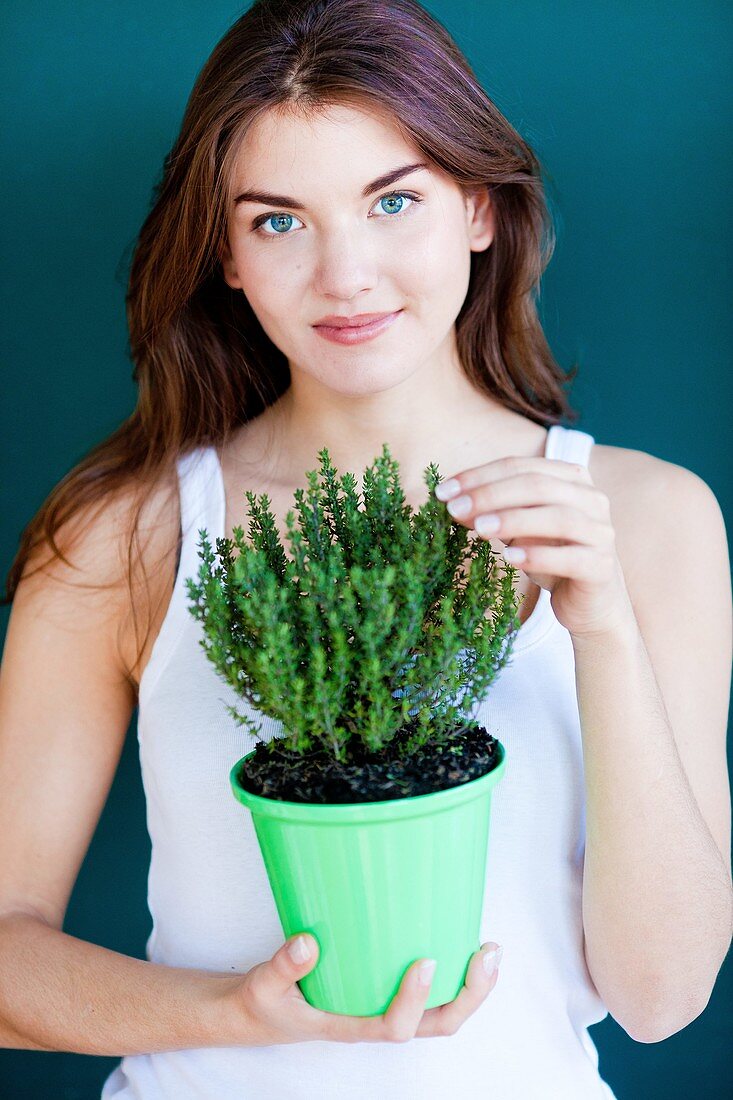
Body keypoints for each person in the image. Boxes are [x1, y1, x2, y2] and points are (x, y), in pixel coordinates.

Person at [1, 1, 731, 1097]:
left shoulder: (647, 514)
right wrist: (232, 1010)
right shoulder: (128, 533)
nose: (346, 275)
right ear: (227, 258)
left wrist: (606, 629)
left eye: (394, 201)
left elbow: (662, 996)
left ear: (479, 211)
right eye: (278, 221)